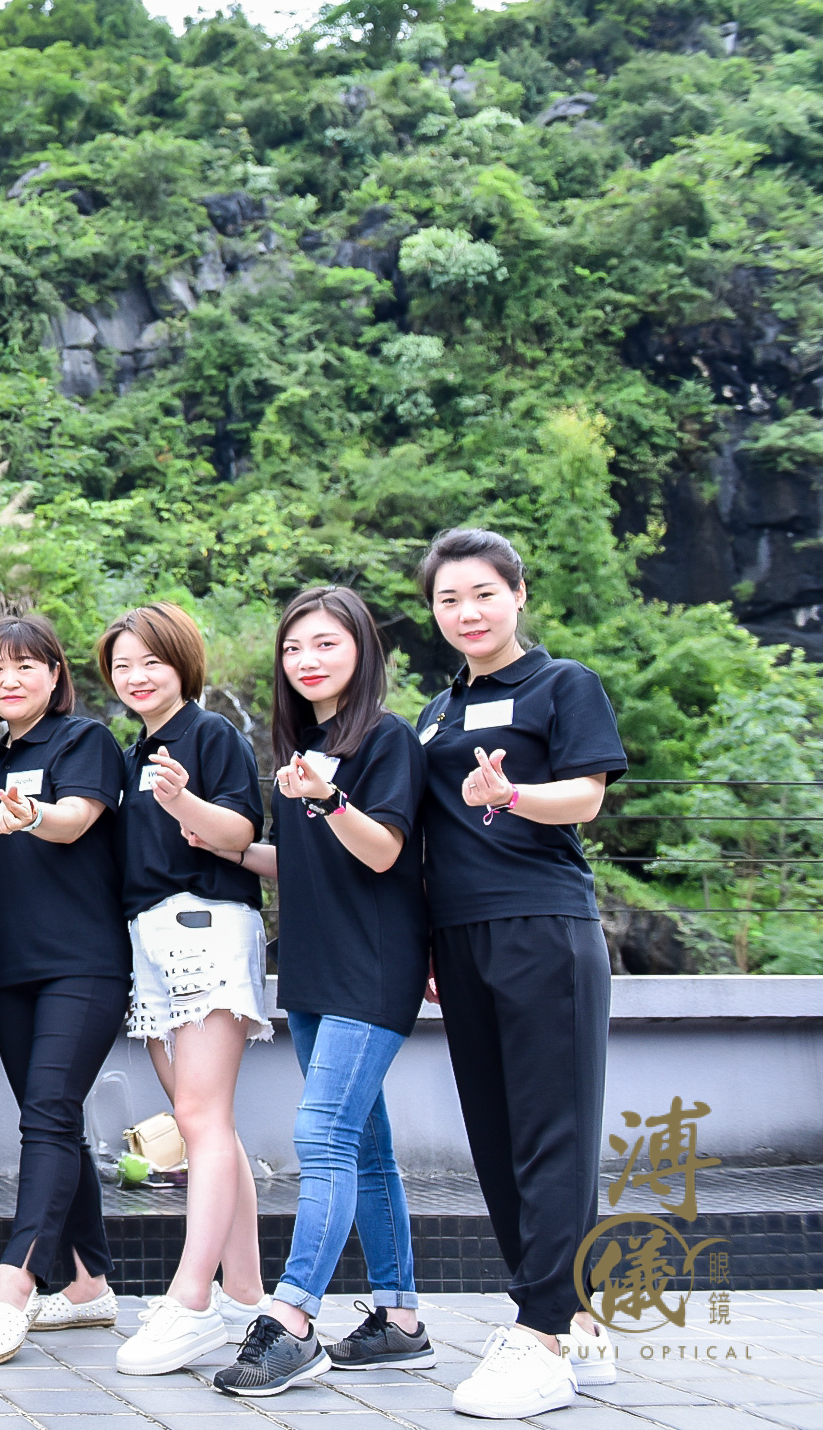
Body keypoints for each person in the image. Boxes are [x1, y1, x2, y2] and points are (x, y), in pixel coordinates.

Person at [195, 586, 432, 1396]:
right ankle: (398, 1318)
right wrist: (221, 844)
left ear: (361, 649)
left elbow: (381, 849)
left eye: (325, 643)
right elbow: (300, 862)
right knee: (363, 1143)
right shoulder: (304, 748)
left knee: (323, 1131)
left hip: (372, 965)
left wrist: (327, 798)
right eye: (293, 647)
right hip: (310, 969)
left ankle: (292, 1317)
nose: (306, 660)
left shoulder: (386, 740)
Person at [411, 531, 626, 1419]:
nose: (465, 612)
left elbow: (585, 794)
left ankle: (537, 1334)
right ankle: (575, 1320)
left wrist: (510, 796)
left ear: (517, 594)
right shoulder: (434, 712)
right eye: (448, 599)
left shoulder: (560, 684)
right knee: (497, 1137)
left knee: (552, 1131)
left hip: (543, 924)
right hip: (459, 937)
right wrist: (427, 939)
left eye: (482, 594)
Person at [100, 602, 273, 1377]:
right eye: (122, 665)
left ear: (182, 663)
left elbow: (239, 833)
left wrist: (181, 801)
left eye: (151, 661)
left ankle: (190, 1298)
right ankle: (244, 1292)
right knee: (207, 1123)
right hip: (150, 935)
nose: (136, 676)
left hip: (203, 925)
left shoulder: (209, 735)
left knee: (201, 1117)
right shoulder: (132, 750)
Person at [0, 614, 130, 1367]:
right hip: (13, 972)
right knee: (51, 1117)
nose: (10, 679)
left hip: (83, 963)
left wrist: (34, 815)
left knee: (49, 1115)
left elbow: (72, 822)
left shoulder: (82, 741)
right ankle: (89, 1283)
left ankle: (14, 1282)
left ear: (56, 675)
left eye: (27, 665)